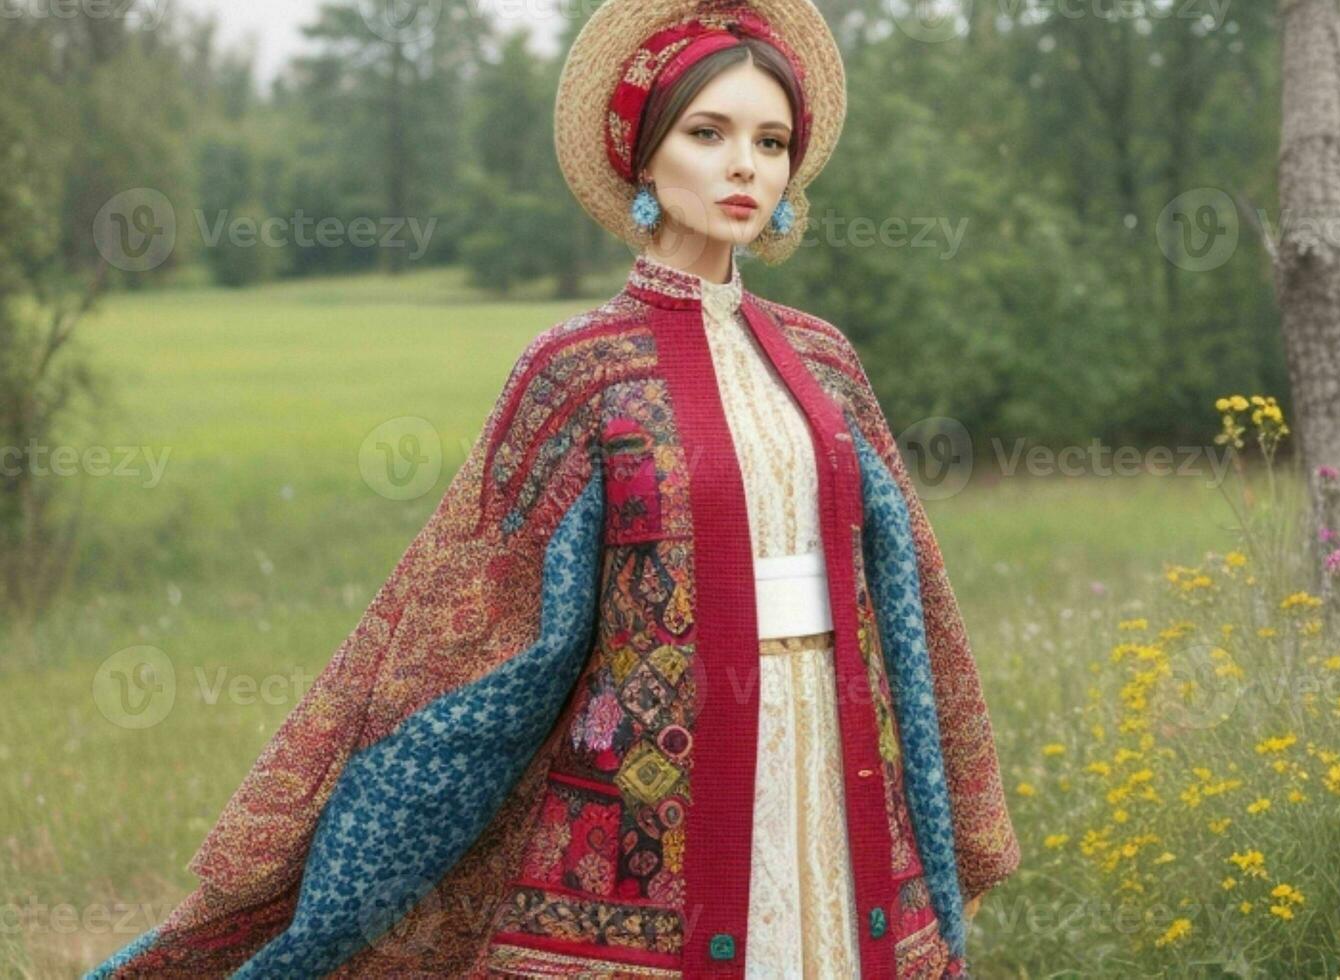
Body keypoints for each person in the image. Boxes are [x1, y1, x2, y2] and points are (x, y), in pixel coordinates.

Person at [87, 2, 1019, 977]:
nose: (745, 164)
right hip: (658, 803)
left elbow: (913, 589)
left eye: (770, 140)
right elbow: (474, 623)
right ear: (646, 156)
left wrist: (950, 783)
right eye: (709, 132)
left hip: (837, 764)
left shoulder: (825, 360)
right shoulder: (575, 372)